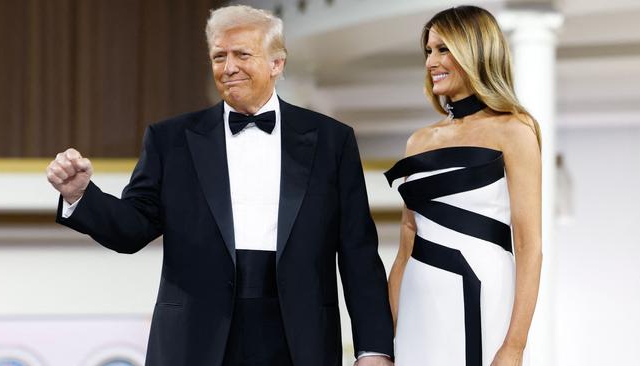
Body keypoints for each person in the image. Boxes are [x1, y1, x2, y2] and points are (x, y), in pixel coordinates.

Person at [46, 5, 394, 366]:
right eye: (218, 56)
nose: (229, 68)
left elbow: (358, 254)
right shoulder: (170, 140)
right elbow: (133, 229)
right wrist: (79, 195)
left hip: (299, 338)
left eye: (242, 54)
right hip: (195, 338)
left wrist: (373, 349)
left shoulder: (331, 141)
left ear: (277, 63)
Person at [384, 5, 542, 366]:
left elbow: (530, 246)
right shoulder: (418, 141)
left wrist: (514, 346)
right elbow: (406, 244)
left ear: (476, 52)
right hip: (417, 305)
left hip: (483, 294)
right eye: (428, 51)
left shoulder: (515, 131)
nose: (430, 62)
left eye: (443, 49)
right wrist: (386, 336)